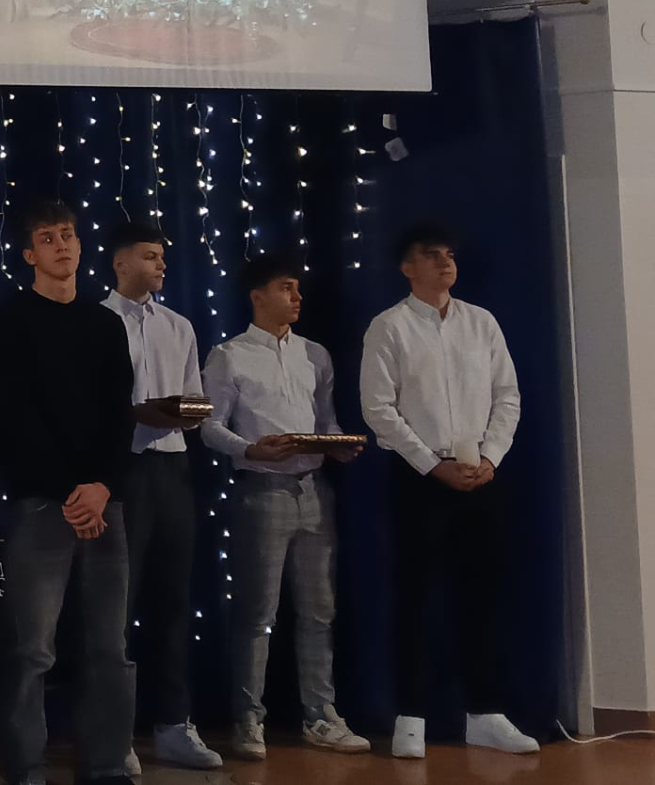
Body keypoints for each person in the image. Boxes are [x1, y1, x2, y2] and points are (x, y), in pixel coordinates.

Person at [360, 224, 538, 758]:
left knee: (483, 595)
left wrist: (490, 457)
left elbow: (507, 395)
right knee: (415, 597)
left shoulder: (481, 322)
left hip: (479, 475)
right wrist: (430, 465)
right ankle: (410, 717)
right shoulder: (389, 326)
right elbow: (378, 409)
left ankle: (485, 713)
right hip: (420, 478)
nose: (445, 263)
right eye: (431, 255)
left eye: (449, 254)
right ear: (407, 267)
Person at [0, 199, 136, 785]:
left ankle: (107, 764)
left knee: (109, 646)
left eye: (68, 234)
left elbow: (119, 415)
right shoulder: (11, 321)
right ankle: (26, 768)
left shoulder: (105, 323)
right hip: (42, 503)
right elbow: (16, 418)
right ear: (29, 254)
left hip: (103, 503)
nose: (62, 245)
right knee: (33, 650)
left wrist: (102, 487)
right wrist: (71, 492)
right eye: (47, 238)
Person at [199, 255, 370, 761]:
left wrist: (338, 444)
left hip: (314, 488)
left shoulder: (315, 354)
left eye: (297, 289)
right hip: (262, 490)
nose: (296, 298)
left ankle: (321, 714)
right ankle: (248, 719)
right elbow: (209, 426)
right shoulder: (229, 355)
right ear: (258, 296)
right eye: (286, 288)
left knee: (320, 609)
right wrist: (250, 450)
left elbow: (326, 420)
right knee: (257, 612)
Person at [101, 223, 221, 772]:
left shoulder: (179, 326)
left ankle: (174, 724)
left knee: (173, 600)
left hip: (172, 465)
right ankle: (113, 733)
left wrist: (185, 412)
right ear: (121, 263)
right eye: (150, 256)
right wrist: (130, 414)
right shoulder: (98, 322)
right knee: (116, 606)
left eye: (163, 257)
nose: (161, 265)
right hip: (120, 466)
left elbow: (196, 400)